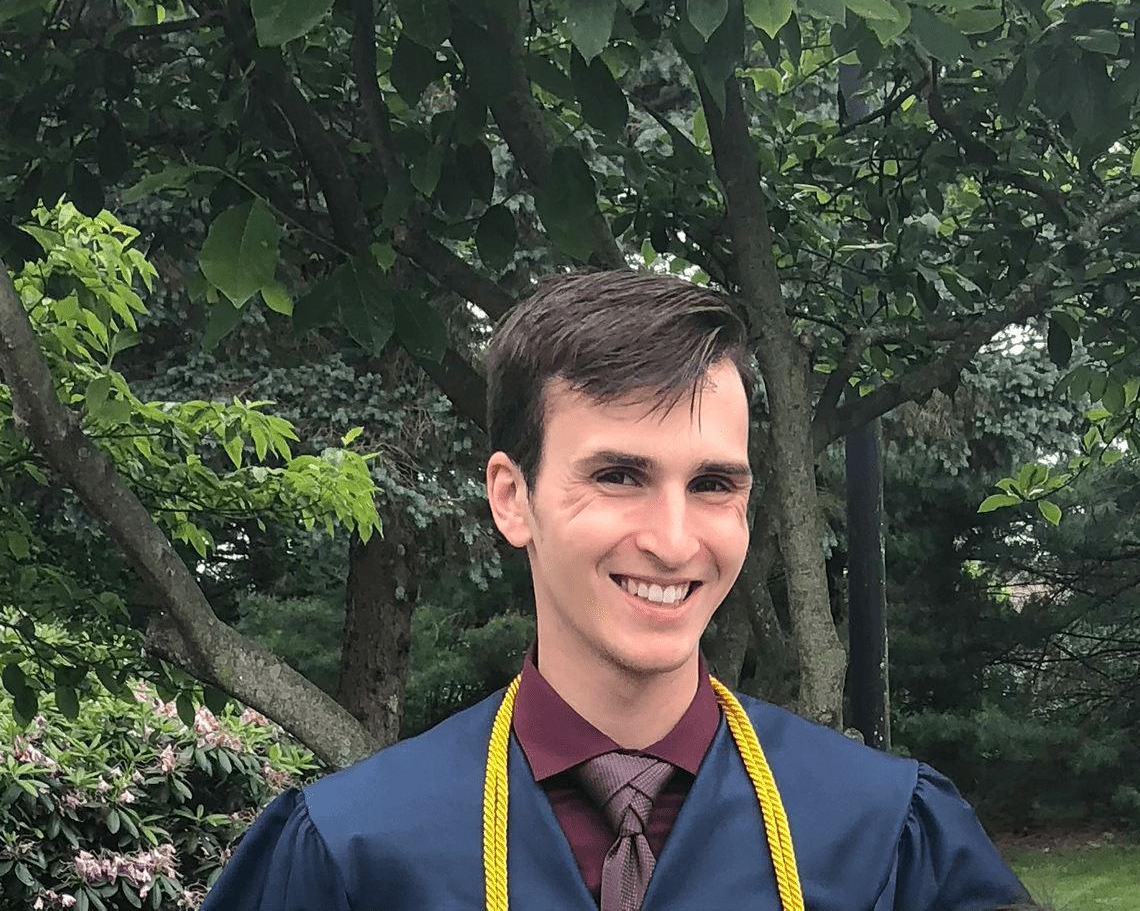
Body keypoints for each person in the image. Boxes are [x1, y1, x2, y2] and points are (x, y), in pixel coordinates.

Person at [200, 271, 1028, 911]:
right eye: (619, 475)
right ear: (511, 497)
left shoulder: (887, 836)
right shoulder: (353, 852)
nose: (672, 540)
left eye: (712, 483)